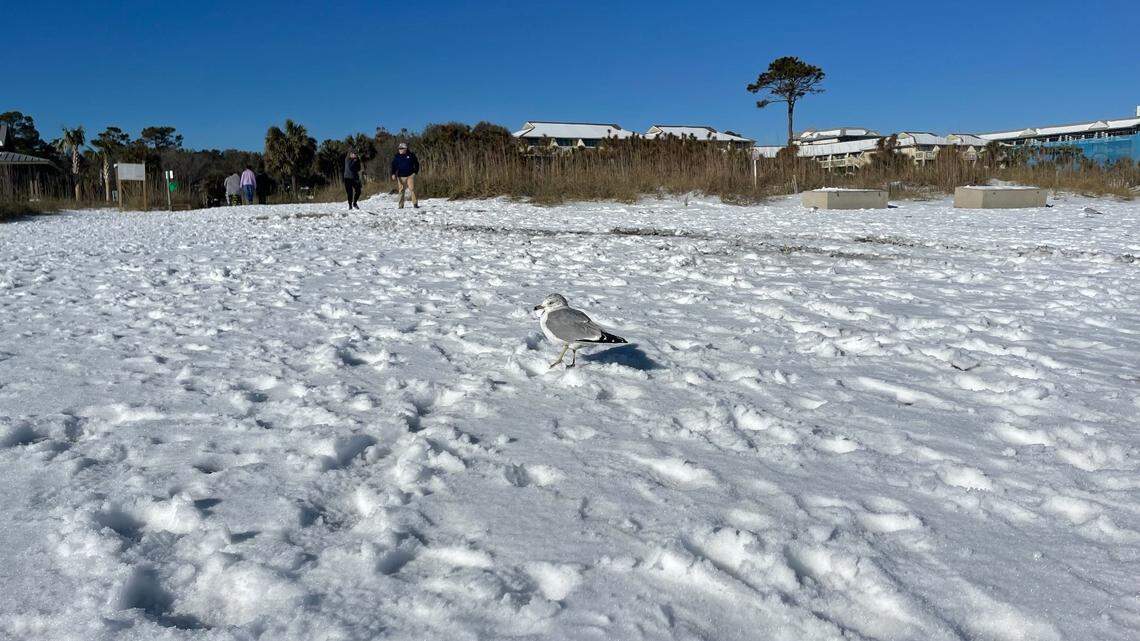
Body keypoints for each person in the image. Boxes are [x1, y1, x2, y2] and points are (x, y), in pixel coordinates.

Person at [390, 142, 419, 209]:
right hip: (400, 176)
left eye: (401, 148)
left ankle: (415, 204)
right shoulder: (397, 156)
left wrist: (415, 172)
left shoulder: (411, 155)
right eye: (399, 148)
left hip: (410, 175)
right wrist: (393, 174)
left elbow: (416, 163)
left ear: (405, 149)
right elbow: (393, 166)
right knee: (401, 190)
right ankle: (401, 205)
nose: (399, 150)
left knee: (412, 189)